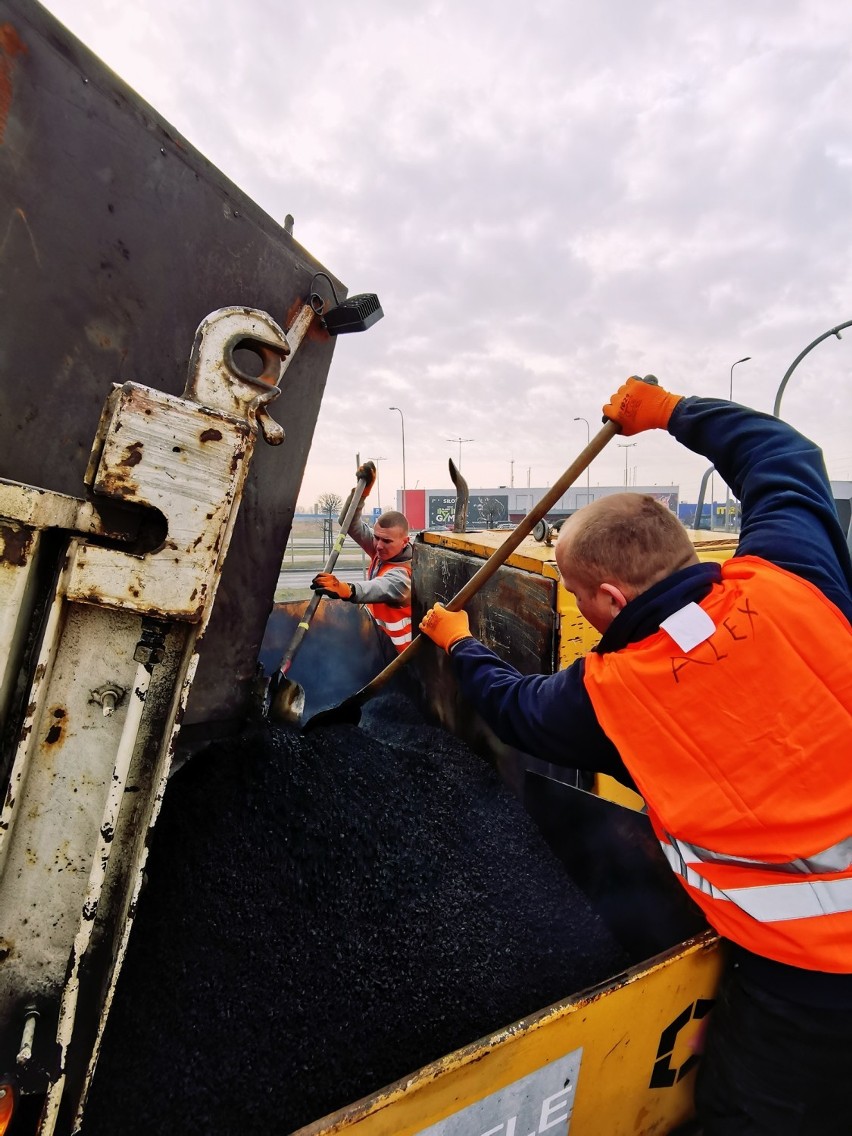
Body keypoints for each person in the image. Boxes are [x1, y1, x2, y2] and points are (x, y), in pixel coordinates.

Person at [419, 376, 852, 1135]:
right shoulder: (792, 575)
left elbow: (513, 707)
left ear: (612, 599)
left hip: (812, 980)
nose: (582, 607)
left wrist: (459, 645)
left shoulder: (610, 699)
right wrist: (673, 413)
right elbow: (783, 454)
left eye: (578, 594)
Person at [311, 461, 413, 656]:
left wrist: (347, 589)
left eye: (386, 540)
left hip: (399, 655)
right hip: (378, 642)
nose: (378, 545)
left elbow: (380, 587)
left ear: (404, 542)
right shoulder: (383, 551)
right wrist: (360, 494)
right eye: (376, 537)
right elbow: (348, 523)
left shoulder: (404, 576)